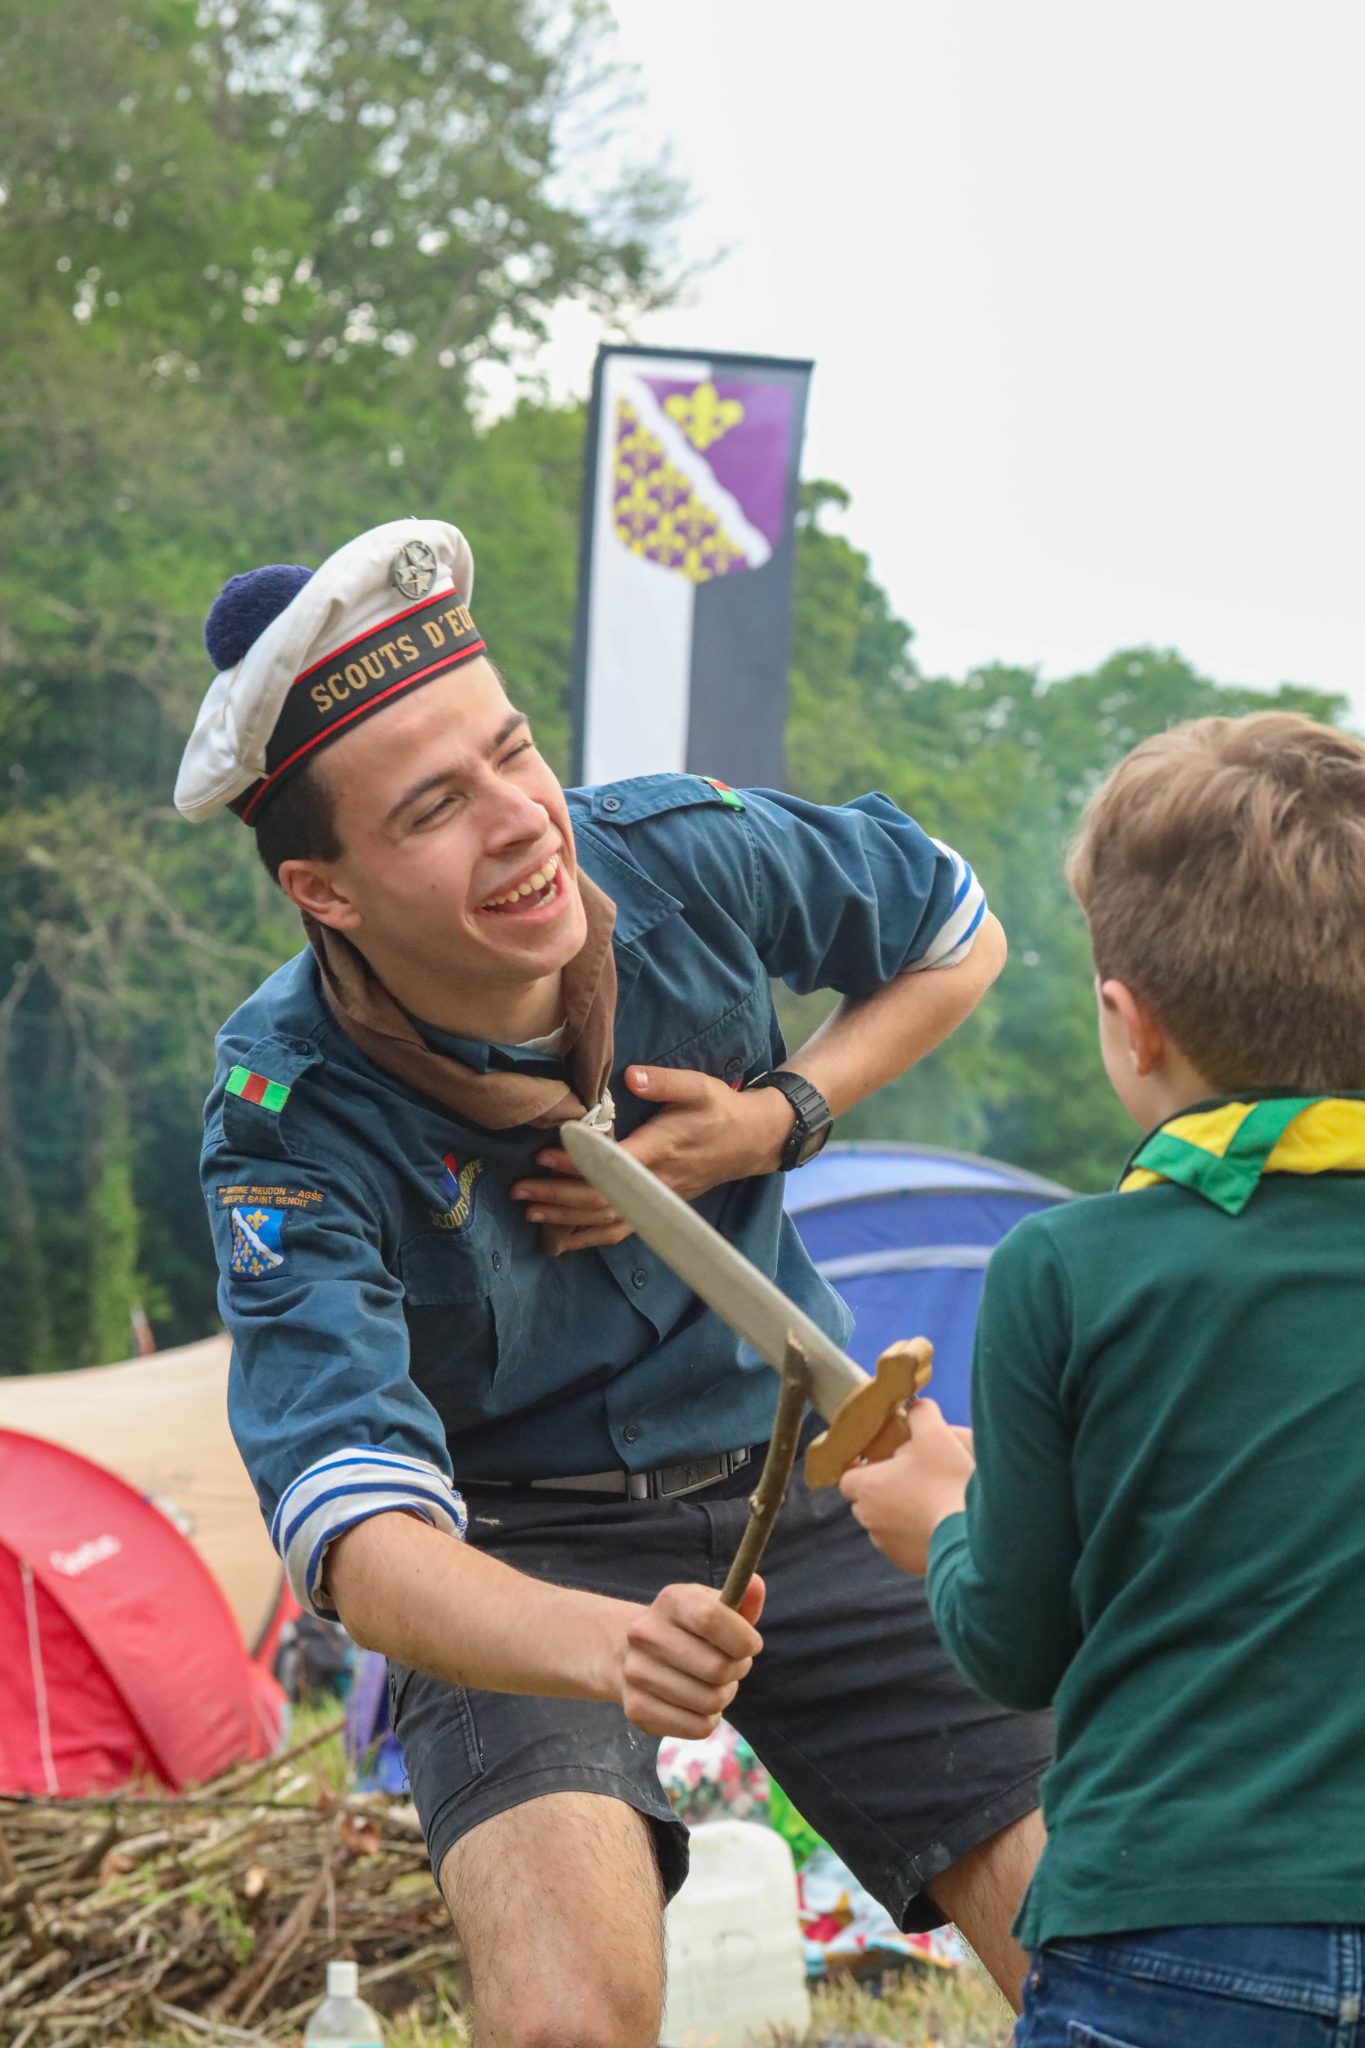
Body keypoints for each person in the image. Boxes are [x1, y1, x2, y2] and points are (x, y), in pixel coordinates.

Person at [177, 517, 1050, 2047]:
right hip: (518, 1548)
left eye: (512, 752)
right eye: (436, 807)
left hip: (805, 1452)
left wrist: (780, 1116)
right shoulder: (287, 1108)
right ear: (325, 889)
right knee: (568, 2017)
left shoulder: (673, 853)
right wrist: (606, 1645)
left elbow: (957, 933)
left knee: (1096, 1938)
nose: (522, 823)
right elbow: (361, 1537)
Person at [842, 711, 1365, 2048]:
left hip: (1169, 1936)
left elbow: (1014, 1643)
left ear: (1129, 1027)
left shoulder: (1067, 1270)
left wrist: (940, 1520)